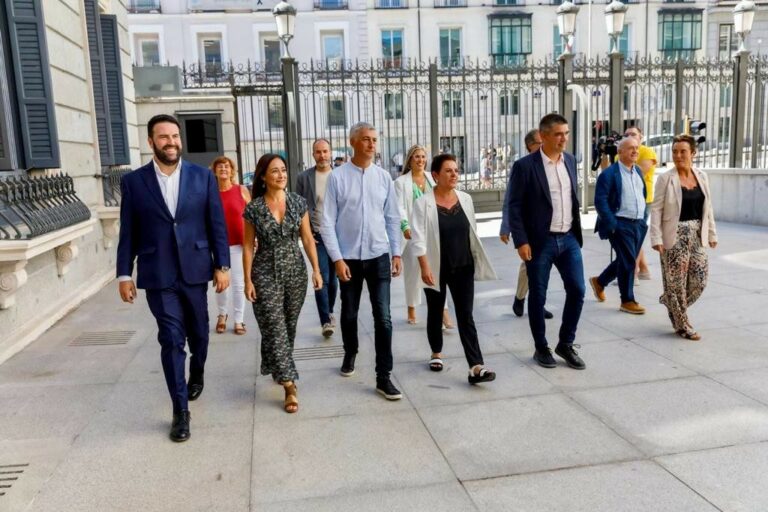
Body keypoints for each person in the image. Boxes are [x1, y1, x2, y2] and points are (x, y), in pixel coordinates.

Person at [117, 114, 230, 442]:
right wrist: (124, 273)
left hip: (196, 269)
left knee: (200, 336)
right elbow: (129, 232)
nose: (171, 142)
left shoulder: (202, 177)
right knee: (170, 339)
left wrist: (222, 266)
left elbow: (216, 225)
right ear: (151, 142)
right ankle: (180, 410)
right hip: (158, 273)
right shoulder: (134, 182)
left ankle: (197, 370)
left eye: (175, 136)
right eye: (163, 137)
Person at [320, 122, 404, 400]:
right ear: (353, 142)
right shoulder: (337, 177)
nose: (371, 144)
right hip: (349, 259)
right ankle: (350, 352)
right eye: (366, 139)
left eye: (374, 140)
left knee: (384, 317)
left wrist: (396, 252)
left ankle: (383, 376)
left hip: (378, 254)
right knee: (349, 313)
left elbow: (392, 217)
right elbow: (327, 221)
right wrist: (337, 258)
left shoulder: (383, 178)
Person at [243, 154, 322, 413]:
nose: (281, 175)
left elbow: (308, 239)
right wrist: (247, 280)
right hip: (264, 270)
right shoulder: (254, 208)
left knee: (287, 327)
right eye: (274, 171)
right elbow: (247, 246)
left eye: (284, 170)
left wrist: (316, 270)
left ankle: (276, 364)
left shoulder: (298, 203)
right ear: (263, 177)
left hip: (295, 271)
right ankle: (289, 385)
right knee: (274, 325)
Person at [506, 113, 586, 370]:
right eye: (558, 134)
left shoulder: (570, 161)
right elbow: (515, 206)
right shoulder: (525, 166)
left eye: (566, 133)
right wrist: (521, 240)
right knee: (538, 296)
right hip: (540, 242)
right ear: (543, 136)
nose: (564, 139)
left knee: (578, 290)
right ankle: (541, 347)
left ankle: (566, 343)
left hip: (569, 238)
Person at [411, 154, 498, 384]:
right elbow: (417, 239)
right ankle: (436, 353)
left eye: (456, 170)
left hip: (463, 267)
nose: (454, 174)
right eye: (448, 171)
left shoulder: (466, 199)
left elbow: (472, 232)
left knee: (465, 315)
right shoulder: (423, 203)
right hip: (436, 267)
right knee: (435, 311)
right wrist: (424, 266)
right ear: (436, 175)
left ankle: (476, 365)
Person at [650, 134, 717, 341]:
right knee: (677, 283)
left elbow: (708, 208)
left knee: (700, 279)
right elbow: (656, 209)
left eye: (683, 151)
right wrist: (656, 238)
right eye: (675, 151)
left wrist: (711, 233)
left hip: (697, 234)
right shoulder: (665, 178)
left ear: (693, 153)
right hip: (674, 234)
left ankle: (671, 301)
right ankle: (683, 324)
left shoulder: (702, 176)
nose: (678, 155)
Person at [394, 144, 454, 328]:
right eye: (416, 157)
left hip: (432, 231)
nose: (420, 160)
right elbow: (399, 207)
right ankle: (411, 308)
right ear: (410, 160)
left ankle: (443, 313)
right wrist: (405, 226)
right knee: (413, 273)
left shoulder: (432, 178)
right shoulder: (401, 182)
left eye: (423, 157)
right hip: (412, 233)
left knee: (436, 272)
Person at [589, 137, 648, 314]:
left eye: (636, 148)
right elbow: (600, 201)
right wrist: (613, 224)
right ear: (620, 152)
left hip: (638, 224)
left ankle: (599, 282)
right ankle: (627, 300)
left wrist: (643, 219)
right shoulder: (609, 174)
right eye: (630, 148)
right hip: (620, 224)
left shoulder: (637, 171)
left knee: (625, 259)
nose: (635, 151)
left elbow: (642, 195)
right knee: (629, 261)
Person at [501, 129, 553, 320]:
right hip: (527, 226)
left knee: (542, 267)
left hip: (550, 226)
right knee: (531, 264)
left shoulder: (553, 164)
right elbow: (510, 200)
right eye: (540, 143)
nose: (544, 146)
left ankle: (530, 301)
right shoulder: (523, 167)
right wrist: (505, 226)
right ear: (530, 146)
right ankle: (522, 299)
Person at [296, 139, 339, 339]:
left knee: (334, 279)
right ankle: (325, 321)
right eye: (318, 152)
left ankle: (329, 311)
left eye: (325, 151)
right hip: (317, 235)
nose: (322, 155)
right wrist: (305, 232)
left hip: (338, 235)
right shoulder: (304, 177)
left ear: (330, 153)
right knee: (322, 275)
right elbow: (298, 206)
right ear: (313, 154)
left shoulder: (339, 176)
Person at [211, 156, 251, 335]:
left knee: (238, 283)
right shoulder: (210, 192)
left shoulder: (241, 190)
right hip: (218, 245)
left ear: (232, 170)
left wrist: (253, 238)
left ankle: (239, 320)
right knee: (221, 283)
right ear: (215, 171)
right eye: (220, 166)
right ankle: (221, 315)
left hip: (239, 244)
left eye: (226, 166)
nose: (223, 169)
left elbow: (252, 216)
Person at [623, 125, 658, 280]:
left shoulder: (646, 152)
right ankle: (643, 270)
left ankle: (633, 272)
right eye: (627, 134)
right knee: (634, 237)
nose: (630, 136)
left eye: (633, 134)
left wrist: (625, 158)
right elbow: (608, 171)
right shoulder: (621, 152)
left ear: (641, 137)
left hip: (643, 201)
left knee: (634, 237)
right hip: (625, 201)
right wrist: (605, 155)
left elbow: (638, 171)